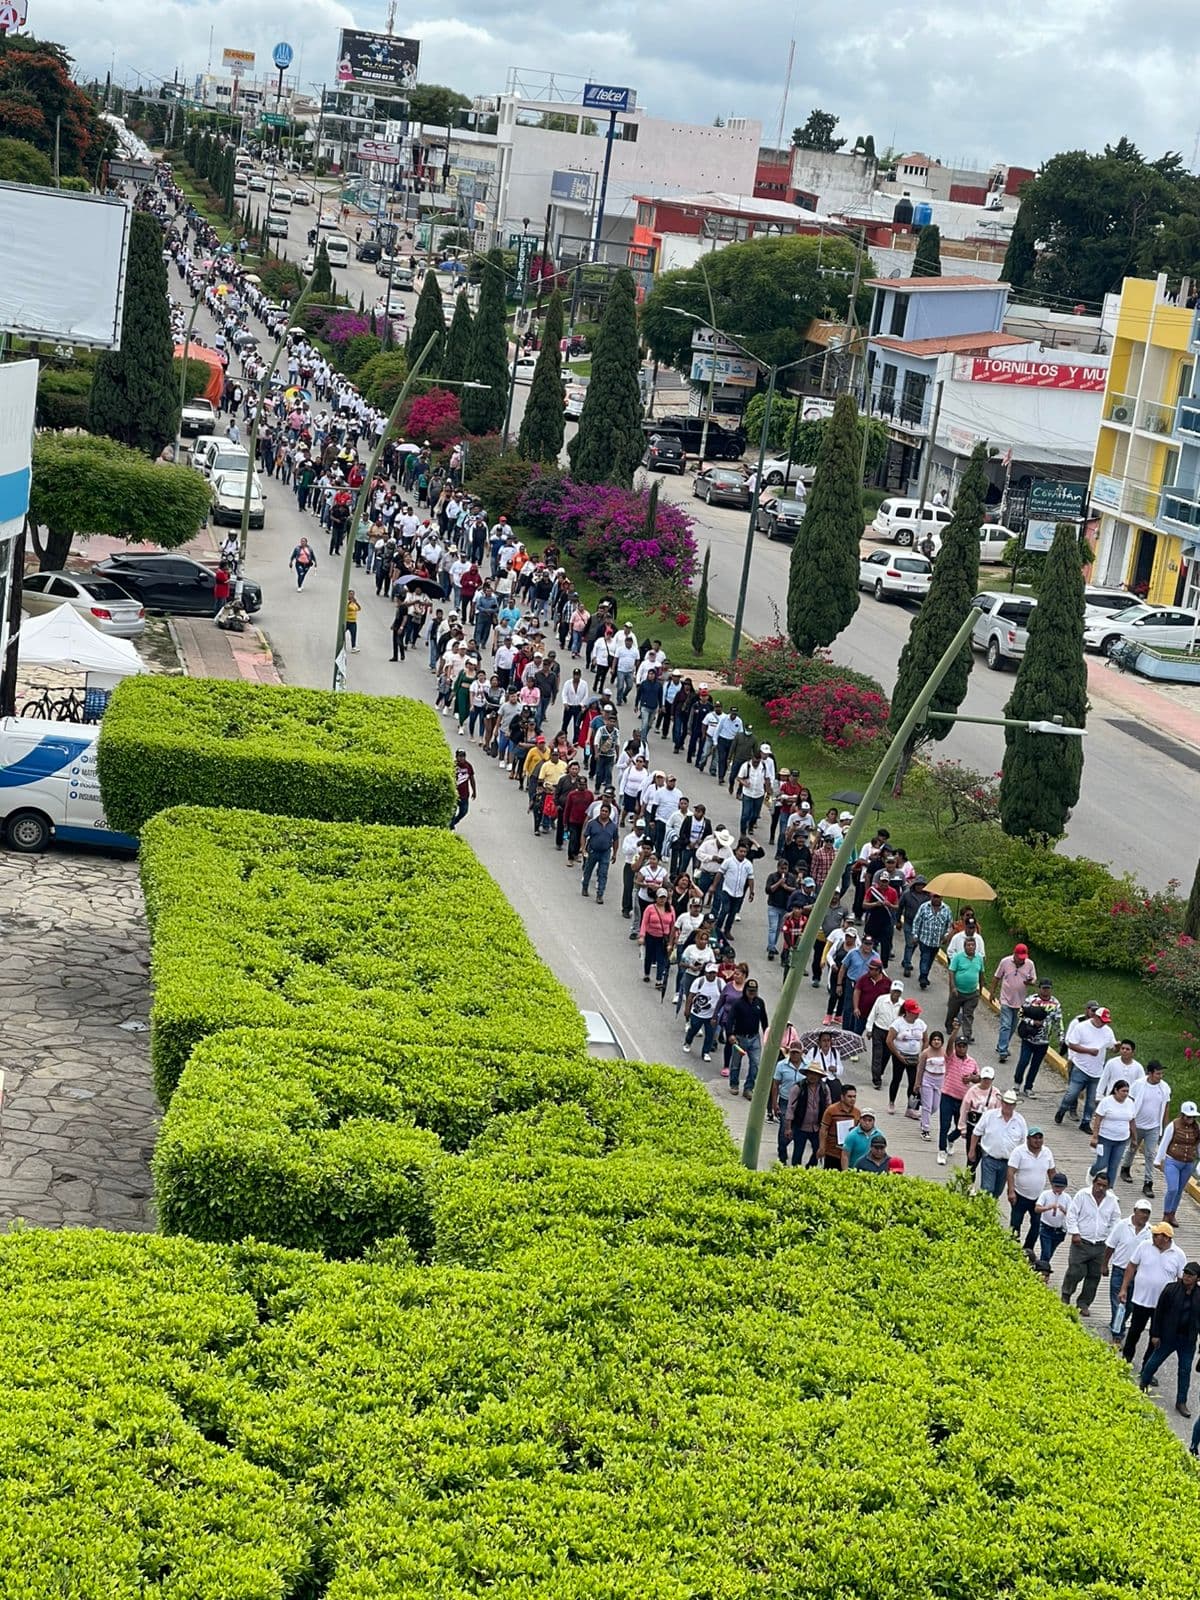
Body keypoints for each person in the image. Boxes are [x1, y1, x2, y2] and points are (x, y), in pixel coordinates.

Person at [1139, 1261, 1200, 1418]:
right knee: (1154, 1362)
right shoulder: (1171, 1289)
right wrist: (1155, 1334)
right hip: (1168, 1336)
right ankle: (1143, 1385)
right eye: (1185, 1273)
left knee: (1185, 1370)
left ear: (1197, 1278)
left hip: (1188, 1340)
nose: (1186, 1276)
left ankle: (1181, 1402)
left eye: (1190, 1274)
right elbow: (1158, 1313)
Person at [1120, 1222, 1186, 1366]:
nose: (1153, 1237)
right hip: (1141, 1299)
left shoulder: (1179, 1254)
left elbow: (1182, 1280)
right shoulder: (1144, 1245)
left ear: (1166, 1238)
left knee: (1156, 1336)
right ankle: (1126, 1358)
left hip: (1163, 1305)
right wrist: (1124, 1288)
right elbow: (1132, 1265)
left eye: (1157, 1235)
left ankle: (1148, 1365)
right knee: (1134, 1330)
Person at [1061, 1173, 1121, 1317]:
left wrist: (1110, 1237)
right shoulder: (1082, 1195)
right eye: (1098, 1184)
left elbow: (1116, 1220)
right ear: (1093, 1183)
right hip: (1081, 1242)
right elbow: (1072, 1214)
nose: (1100, 1188)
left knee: (1094, 1276)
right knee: (1075, 1271)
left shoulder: (1112, 1200)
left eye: (1104, 1186)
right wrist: (1074, 1233)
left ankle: (1084, 1303)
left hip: (1100, 1245)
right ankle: (1066, 1295)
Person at [1054, 1002, 1117, 1134]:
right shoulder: (1081, 1027)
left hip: (1097, 1070)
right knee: (1072, 1093)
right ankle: (1062, 1109)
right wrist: (1088, 1051)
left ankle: (1086, 1122)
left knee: (1091, 1100)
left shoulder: (1108, 1031)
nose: (1104, 1024)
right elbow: (1072, 1044)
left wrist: (1116, 1047)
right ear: (1096, 1017)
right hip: (1081, 1067)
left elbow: (1112, 1047)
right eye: (1102, 1020)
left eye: (1106, 1021)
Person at [1102, 1198, 1153, 1343]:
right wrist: (1104, 1264)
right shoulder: (1122, 1225)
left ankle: (1117, 1323)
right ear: (1135, 1211)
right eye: (1142, 1211)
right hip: (1119, 1270)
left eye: (1147, 1212)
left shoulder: (1150, 1231)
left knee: (1130, 1305)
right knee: (1117, 1302)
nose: (1144, 1215)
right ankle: (1118, 1333)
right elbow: (1110, 1246)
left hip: (1139, 1274)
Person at [1124, 1060, 1171, 1198]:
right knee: (1132, 1147)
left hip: (1153, 1127)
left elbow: (1166, 1107)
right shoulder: (1138, 1085)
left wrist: (1165, 1127)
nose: (1160, 1076)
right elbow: (1130, 1102)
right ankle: (1125, 1168)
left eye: (1162, 1073)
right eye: (1158, 1073)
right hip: (1137, 1124)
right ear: (1150, 1073)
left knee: (1150, 1154)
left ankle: (1148, 1182)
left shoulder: (1164, 1088)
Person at [971, 1090, 1028, 1199]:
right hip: (989, 1158)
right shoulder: (989, 1115)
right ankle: (983, 1211)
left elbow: (1024, 1142)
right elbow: (976, 1132)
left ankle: (989, 1211)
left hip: (1008, 1163)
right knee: (987, 1189)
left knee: (997, 1191)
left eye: (1010, 1104)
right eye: (1005, 1103)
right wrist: (972, 1150)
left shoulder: (1020, 1121)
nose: (1007, 1106)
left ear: (1014, 1105)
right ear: (1001, 1102)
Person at [1006, 1127, 1055, 1247]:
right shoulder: (1019, 1152)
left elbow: (1052, 1172)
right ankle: (1013, 1247)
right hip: (1020, 1195)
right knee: (1016, 1223)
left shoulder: (1047, 1152)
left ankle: (1028, 1249)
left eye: (1040, 1138)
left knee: (1036, 1225)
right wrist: (1011, 1191)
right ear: (1028, 1139)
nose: (1037, 1141)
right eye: (1034, 1138)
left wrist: (1055, 1193)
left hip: (1038, 1197)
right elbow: (1010, 1171)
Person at [1012, 979, 1062, 1098]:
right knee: (1023, 1062)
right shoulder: (1031, 1000)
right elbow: (1020, 1014)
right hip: (1029, 1038)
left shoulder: (1055, 1003)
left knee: (1035, 1065)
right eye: (1044, 988)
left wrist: (1061, 1036)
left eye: (1048, 988)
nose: (1046, 991)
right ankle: (1017, 1084)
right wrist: (1032, 1022)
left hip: (1044, 1041)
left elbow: (1058, 1021)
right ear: (1039, 988)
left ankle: (1029, 1087)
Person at [1155, 1101, 1200, 1225]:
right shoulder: (1173, 1125)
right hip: (1173, 1161)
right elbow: (1164, 1142)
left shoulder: (1197, 1128)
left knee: (1179, 1190)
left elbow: (1198, 1146)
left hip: (1188, 1163)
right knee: (1172, 1189)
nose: (1191, 1119)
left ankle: (1172, 1214)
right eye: (1188, 1116)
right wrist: (1158, 1160)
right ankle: (1166, 1212)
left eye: (1193, 1117)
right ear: (1182, 1115)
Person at [781, 1059, 831, 1168]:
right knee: (797, 1153)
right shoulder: (798, 1087)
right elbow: (790, 1108)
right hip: (800, 1127)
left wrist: (827, 1127)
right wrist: (788, 1127)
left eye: (815, 1074)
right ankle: (795, 1174)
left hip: (817, 1128)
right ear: (807, 1074)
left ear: (819, 1076)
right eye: (810, 1073)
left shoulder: (824, 1088)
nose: (812, 1076)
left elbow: (828, 1108)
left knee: (817, 1151)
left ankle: (809, 1168)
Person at [937, 1034, 979, 1165]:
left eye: (964, 1046)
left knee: (962, 1127)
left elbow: (979, 1077)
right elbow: (948, 1046)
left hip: (963, 1100)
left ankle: (951, 1138)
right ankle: (942, 1151)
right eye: (959, 1046)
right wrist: (955, 1030)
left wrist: (971, 1079)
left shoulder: (972, 1062)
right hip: (947, 1096)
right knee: (944, 1125)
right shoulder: (951, 1058)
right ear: (955, 1047)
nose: (961, 1049)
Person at [993, 942, 1037, 1063]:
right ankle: (1003, 1050)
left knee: (1013, 1025)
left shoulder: (1030, 964)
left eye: (1023, 958)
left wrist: (1029, 982)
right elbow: (997, 977)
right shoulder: (1005, 962)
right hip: (1005, 999)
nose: (1021, 960)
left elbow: (1034, 980)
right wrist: (992, 993)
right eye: (1019, 958)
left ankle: (1002, 1044)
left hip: (1020, 1001)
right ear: (1014, 954)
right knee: (1006, 1024)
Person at [1089, 1079, 1139, 1188]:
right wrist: (1095, 1136)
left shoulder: (1130, 1103)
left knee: (1114, 1165)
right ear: (1116, 1090)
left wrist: (1134, 1139)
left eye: (1127, 1091)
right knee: (1102, 1163)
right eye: (1123, 1091)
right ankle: (1092, 1172)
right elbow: (1098, 1119)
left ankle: (1109, 1188)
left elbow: (1132, 1121)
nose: (1125, 1094)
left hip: (1121, 1140)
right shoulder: (1106, 1101)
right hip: (1105, 1138)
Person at [727, 978, 768, 1098]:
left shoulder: (760, 1003)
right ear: (745, 990)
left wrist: (767, 1034)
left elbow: (764, 1020)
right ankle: (734, 1084)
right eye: (750, 990)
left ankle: (749, 1088)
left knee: (755, 1064)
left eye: (754, 991)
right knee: (735, 1064)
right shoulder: (738, 1004)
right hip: (739, 1038)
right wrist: (730, 1034)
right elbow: (730, 1019)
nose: (752, 993)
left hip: (754, 1038)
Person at [885, 998, 926, 1116]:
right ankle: (891, 1102)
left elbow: (926, 1039)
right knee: (896, 1079)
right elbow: (889, 1040)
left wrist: (922, 1054)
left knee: (913, 1082)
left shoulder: (921, 1024)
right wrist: (897, 1055)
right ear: (907, 1012)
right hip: (900, 1055)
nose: (917, 1014)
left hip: (915, 1056)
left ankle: (911, 1107)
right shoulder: (897, 1023)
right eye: (914, 1012)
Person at [945, 934, 984, 1044]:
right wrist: (953, 987)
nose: (971, 947)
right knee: (953, 1011)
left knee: (968, 1014)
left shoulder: (979, 959)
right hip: (958, 991)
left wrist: (980, 989)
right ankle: (949, 1025)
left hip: (972, 993)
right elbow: (952, 971)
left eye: (973, 945)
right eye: (968, 945)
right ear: (964, 946)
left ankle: (967, 1034)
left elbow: (981, 974)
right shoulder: (958, 957)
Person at [910, 891, 952, 988]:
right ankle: (923, 977)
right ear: (931, 897)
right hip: (925, 939)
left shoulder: (947, 909)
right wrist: (915, 935)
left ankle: (924, 974)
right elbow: (917, 921)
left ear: (942, 898)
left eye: (938, 897)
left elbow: (949, 925)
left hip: (937, 942)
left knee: (930, 959)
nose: (936, 899)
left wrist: (946, 935)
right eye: (935, 897)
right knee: (925, 957)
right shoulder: (924, 907)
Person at [638, 888, 676, 991]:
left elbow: (673, 925)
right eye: (660, 898)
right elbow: (644, 923)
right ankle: (647, 973)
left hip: (663, 938)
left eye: (664, 898)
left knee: (661, 959)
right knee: (649, 956)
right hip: (651, 936)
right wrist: (642, 936)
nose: (662, 900)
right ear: (656, 898)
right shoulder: (650, 908)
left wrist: (672, 940)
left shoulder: (670, 909)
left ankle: (659, 980)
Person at [682, 961, 722, 1060]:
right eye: (709, 973)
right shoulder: (699, 982)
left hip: (712, 1015)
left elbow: (723, 997)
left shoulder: (720, 983)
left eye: (713, 973)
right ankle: (688, 1042)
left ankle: (706, 1052)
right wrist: (687, 1009)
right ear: (705, 973)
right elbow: (691, 996)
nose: (711, 975)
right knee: (693, 1030)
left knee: (710, 1034)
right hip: (697, 1013)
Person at [580, 802, 619, 903]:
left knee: (603, 874)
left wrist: (614, 853)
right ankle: (585, 887)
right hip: (592, 850)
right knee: (588, 870)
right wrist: (583, 848)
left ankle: (600, 894)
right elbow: (584, 835)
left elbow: (615, 840)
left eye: (606, 811)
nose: (603, 813)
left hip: (605, 853)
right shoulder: (592, 823)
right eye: (602, 811)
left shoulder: (613, 827)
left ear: (609, 813)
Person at [913, 1029, 946, 1141]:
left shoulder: (945, 1053)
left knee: (935, 1106)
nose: (936, 1042)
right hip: (927, 1079)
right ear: (931, 1041)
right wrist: (917, 1083)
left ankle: (924, 1118)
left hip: (940, 1081)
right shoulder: (925, 1053)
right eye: (934, 1039)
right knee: (927, 1105)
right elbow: (920, 1069)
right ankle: (925, 1129)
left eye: (938, 1039)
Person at [1035, 1172, 1072, 1272]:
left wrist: (1064, 1210)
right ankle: (1042, 1272)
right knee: (1046, 1253)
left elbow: (1072, 1215)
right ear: (1052, 1185)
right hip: (1046, 1227)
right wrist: (1048, 1207)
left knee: (1050, 1253)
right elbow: (1037, 1209)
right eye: (1056, 1186)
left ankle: (1041, 1269)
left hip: (1059, 1230)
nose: (1058, 1189)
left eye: (1061, 1187)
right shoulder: (1045, 1194)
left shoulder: (1067, 1198)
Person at [818, 1083, 860, 1170]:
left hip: (848, 1153)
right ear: (842, 1097)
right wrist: (822, 1147)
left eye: (854, 1096)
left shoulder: (857, 1112)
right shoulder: (831, 1110)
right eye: (849, 1096)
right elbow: (824, 1129)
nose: (853, 1099)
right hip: (832, 1152)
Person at [450, 748, 476, 829]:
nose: (462, 758)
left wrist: (474, 791)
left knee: (464, 811)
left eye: (463, 756)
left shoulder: (468, 766)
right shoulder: (453, 766)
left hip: (464, 795)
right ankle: (450, 826)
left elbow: (472, 779)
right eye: (460, 756)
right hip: (455, 794)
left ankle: (453, 823)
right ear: (456, 757)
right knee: (452, 812)